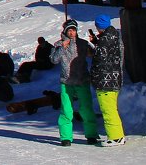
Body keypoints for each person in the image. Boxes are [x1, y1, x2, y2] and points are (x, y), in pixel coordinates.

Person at [49, 18, 99, 146]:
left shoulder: (82, 43)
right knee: (66, 110)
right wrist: (61, 48)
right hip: (66, 82)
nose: (72, 33)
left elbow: (94, 54)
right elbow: (54, 60)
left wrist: (94, 43)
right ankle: (66, 138)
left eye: (74, 30)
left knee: (86, 109)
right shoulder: (58, 44)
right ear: (65, 31)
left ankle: (92, 135)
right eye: (69, 30)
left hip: (82, 80)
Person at [90, 14, 125, 147]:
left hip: (105, 80)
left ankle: (116, 137)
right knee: (112, 109)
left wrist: (94, 48)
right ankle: (118, 134)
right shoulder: (116, 36)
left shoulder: (104, 40)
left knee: (108, 109)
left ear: (99, 27)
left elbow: (100, 59)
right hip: (115, 78)